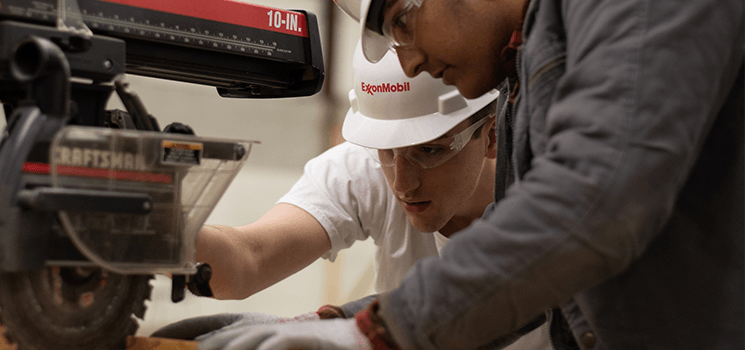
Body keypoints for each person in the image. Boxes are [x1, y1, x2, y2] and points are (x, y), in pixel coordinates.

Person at [199, 0, 744, 348]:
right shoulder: (537, 62)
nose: (407, 62)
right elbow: (532, 282)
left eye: (403, 25)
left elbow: (594, 203)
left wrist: (373, 334)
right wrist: (336, 323)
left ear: (486, 135)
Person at [156, 42, 554, 348]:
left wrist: (335, 326)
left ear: (491, 134)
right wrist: (156, 230)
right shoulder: (363, 167)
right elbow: (249, 258)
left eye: (430, 150)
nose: (403, 182)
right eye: (386, 151)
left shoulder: (551, 196)